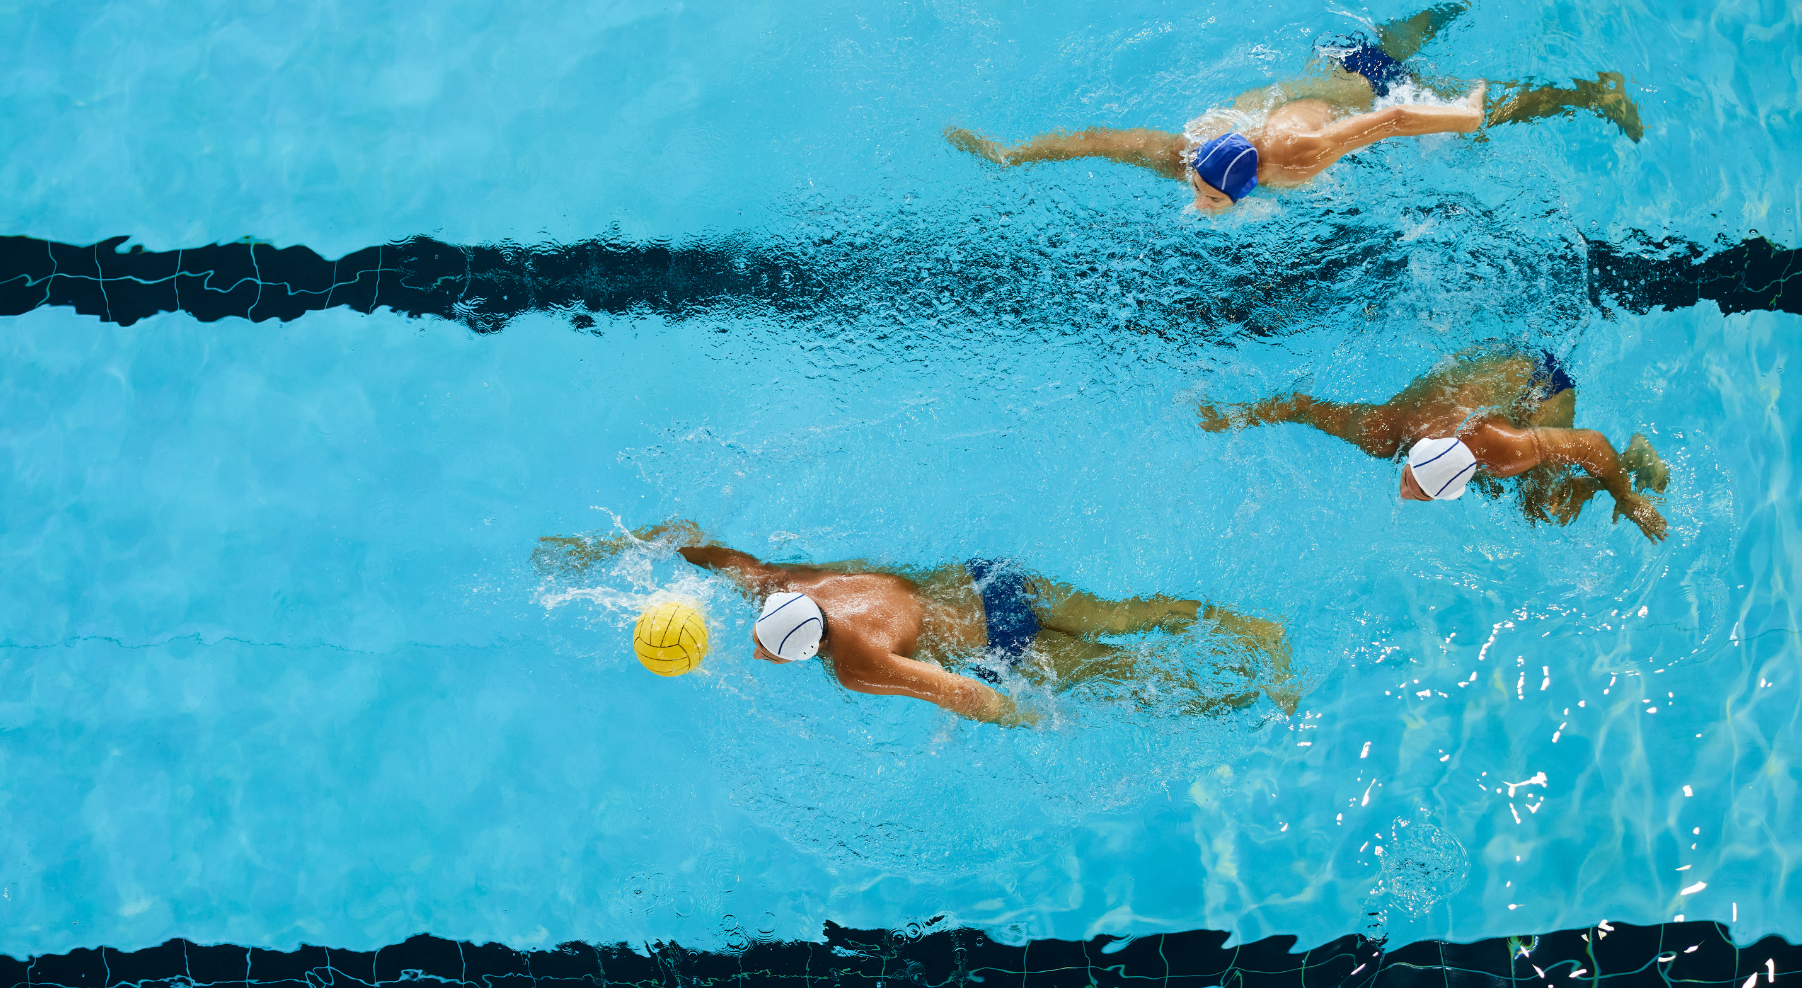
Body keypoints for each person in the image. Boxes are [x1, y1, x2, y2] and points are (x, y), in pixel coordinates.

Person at [535, 522, 1296, 725]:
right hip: (991, 581)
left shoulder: (857, 665)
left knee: (1131, 684)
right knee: (1128, 615)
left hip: (1007, 649)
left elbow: (962, 694)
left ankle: (1248, 701)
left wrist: (1031, 723)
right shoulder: (788, 583)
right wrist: (603, 551)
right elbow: (693, 537)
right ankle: (1255, 628)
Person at [944, 3, 1644, 213]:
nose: (1197, 199)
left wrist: (1458, 116)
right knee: (1387, 45)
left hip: (1374, 90)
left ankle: (1592, 93)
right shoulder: (1189, 152)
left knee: (1486, 120)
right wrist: (1011, 154)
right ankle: (1448, 8)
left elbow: (1392, 121)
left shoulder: (1294, 156)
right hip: (1335, 66)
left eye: (1210, 198)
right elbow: (1097, 138)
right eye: (1201, 190)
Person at [1198, 348, 1671, 541]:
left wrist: (1626, 495)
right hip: (1483, 386)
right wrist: (1233, 418)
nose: (1404, 493)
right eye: (1414, 485)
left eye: (1420, 492)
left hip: (1536, 380)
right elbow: (1300, 404)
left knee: (1545, 504)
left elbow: (1589, 445)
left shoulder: (1504, 451)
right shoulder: (1379, 431)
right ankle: (1620, 472)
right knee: (1530, 500)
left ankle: (1632, 456)